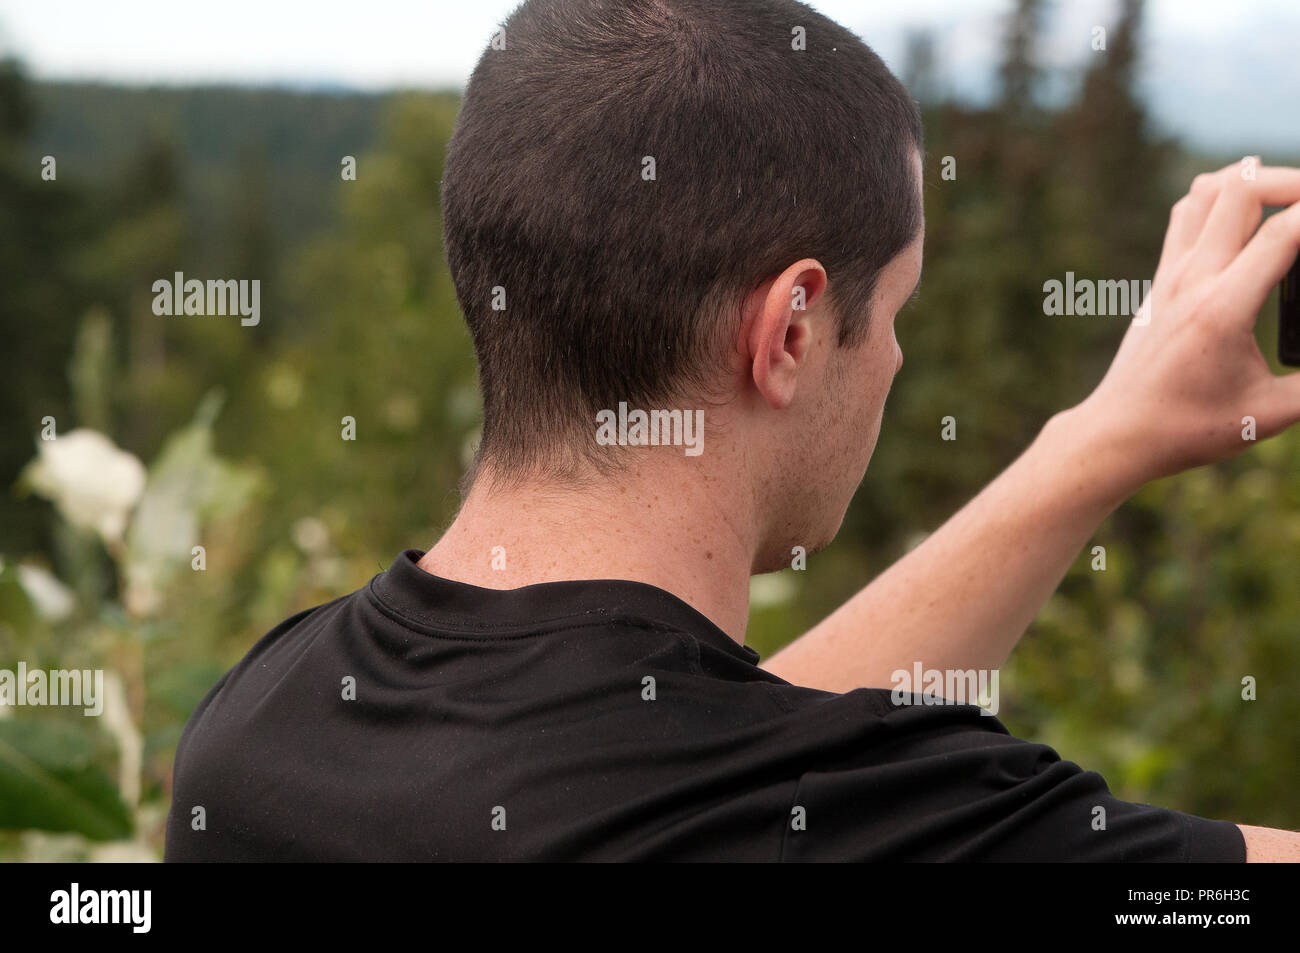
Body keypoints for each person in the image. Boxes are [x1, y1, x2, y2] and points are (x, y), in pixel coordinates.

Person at [164, 0, 1300, 861]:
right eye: (893, 311)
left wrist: (1102, 441)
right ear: (790, 332)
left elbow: (712, 752)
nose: (896, 357)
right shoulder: (914, 824)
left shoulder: (256, 724)